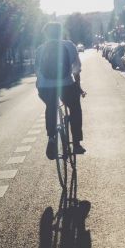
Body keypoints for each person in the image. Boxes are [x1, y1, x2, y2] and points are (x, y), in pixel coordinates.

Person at [35, 22, 86, 160]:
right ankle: (76, 143)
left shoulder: (40, 49)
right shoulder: (69, 45)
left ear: (46, 34)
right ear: (60, 32)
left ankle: (51, 138)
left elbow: (38, 72)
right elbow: (76, 68)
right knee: (75, 108)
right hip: (66, 85)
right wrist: (78, 86)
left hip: (45, 88)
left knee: (50, 106)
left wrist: (40, 86)